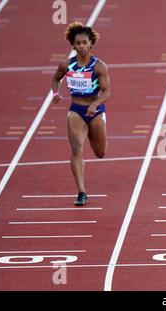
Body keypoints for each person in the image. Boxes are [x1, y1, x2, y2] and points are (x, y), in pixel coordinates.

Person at [51, 22, 111, 206]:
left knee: (100, 153)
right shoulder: (66, 65)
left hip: (95, 111)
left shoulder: (99, 66)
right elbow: (55, 78)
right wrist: (55, 93)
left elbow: (106, 92)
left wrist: (95, 104)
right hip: (76, 110)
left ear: (91, 43)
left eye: (85, 43)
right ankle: (81, 192)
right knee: (77, 149)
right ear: (73, 45)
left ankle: (92, 137)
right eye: (78, 43)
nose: (82, 46)